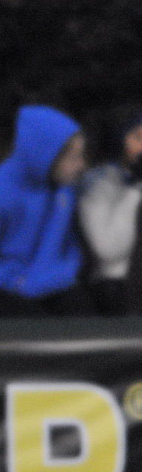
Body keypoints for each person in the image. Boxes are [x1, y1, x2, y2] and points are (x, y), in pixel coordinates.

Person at [0, 105, 92, 316]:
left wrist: (63, 273)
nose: (82, 165)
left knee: (86, 324)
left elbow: (68, 247)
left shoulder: (63, 191)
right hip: (3, 285)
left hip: (50, 281)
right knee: (31, 329)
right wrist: (17, 281)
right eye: (73, 158)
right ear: (45, 155)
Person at [78, 105, 142, 315]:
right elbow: (109, 251)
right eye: (138, 137)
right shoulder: (99, 183)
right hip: (118, 286)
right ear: (120, 140)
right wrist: (134, 192)